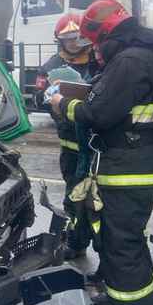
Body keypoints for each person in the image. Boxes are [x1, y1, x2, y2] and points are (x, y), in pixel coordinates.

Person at [50, 0, 153, 305]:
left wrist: (63, 103)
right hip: (140, 158)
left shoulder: (129, 62)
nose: (97, 50)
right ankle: (130, 303)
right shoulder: (148, 54)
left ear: (104, 33)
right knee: (127, 237)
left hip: (127, 165)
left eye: (97, 42)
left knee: (121, 244)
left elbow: (97, 115)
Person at [35, 13, 101, 259]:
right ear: (59, 40)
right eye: (68, 38)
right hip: (71, 143)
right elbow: (38, 98)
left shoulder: (99, 60)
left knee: (100, 198)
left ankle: (103, 245)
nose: (74, 43)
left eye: (78, 37)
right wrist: (52, 98)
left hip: (98, 143)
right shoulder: (51, 67)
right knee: (74, 194)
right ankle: (75, 241)